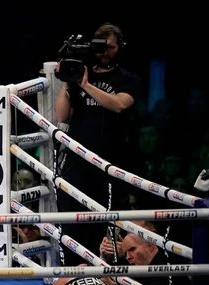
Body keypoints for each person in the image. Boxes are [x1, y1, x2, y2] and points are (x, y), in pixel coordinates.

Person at [54, 22, 142, 264]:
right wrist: (66, 80)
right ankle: (72, 277)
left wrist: (85, 85)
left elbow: (119, 104)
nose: (105, 52)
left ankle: (107, 278)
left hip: (110, 162)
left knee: (106, 223)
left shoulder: (127, 78)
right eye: (101, 47)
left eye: (111, 47)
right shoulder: (82, 74)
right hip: (77, 160)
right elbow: (61, 115)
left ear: (120, 47)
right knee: (72, 219)